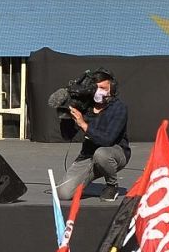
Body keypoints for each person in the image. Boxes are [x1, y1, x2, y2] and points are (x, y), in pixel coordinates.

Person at [54, 69, 131, 202]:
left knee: (101, 154)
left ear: (112, 89)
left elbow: (108, 140)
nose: (99, 91)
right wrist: (66, 113)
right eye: (96, 87)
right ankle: (92, 173)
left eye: (103, 87)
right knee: (62, 193)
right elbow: (67, 135)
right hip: (88, 154)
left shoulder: (118, 108)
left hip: (114, 152)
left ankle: (112, 185)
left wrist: (83, 124)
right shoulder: (85, 106)